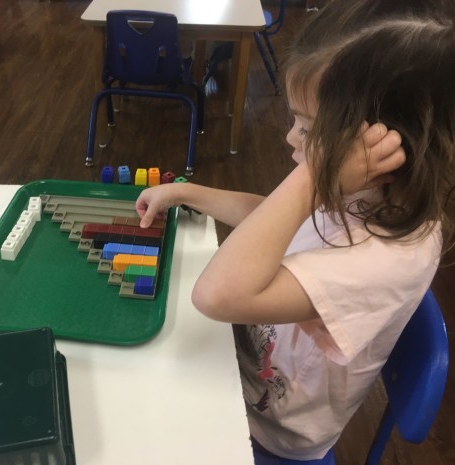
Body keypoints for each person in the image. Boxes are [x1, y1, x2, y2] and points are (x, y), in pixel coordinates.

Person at [134, 5, 455, 464]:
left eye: (307, 127)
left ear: (386, 146)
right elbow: (274, 223)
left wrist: (312, 178)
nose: (290, 138)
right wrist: (190, 192)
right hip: (233, 376)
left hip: (268, 432)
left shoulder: (391, 256)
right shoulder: (364, 190)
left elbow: (216, 295)